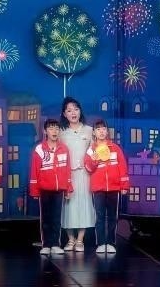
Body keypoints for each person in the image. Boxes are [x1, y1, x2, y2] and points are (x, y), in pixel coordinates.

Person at [84, 118, 129, 254]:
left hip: (114, 188)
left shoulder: (116, 148)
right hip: (98, 189)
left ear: (107, 131)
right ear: (94, 133)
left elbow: (123, 168)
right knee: (100, 216)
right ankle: (100, 243)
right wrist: (95, 159)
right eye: (98, 129)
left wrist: (124, 186)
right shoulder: (91, 150)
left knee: (112, 216)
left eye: (103, 129)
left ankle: (110, 243)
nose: (101, 131)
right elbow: (88, 168)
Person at [29, 118, 73, 256]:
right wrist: (34, 191)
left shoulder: (64, 149)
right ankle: (46, 244)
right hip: (44, 189)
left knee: (56, 218)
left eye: (56, 128)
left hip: (59, 189)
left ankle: (55, 244)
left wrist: (68, 188)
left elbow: (67, 170)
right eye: (51, 128)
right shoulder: (39, 149)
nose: (54, 131)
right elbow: (34, 171)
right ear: (45, 131)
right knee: (46, 218)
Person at [60, 97, 95, 252]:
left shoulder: (89, 130)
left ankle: (80, 239)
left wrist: (88, 164)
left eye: (76, 109)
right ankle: (70, 239)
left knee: (84, 205)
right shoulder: (61, 132)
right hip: (67, 175)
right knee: (68, 207)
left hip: (84, 174)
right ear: (64, 114)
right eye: (69, 110)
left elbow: (94, 152)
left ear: (80, 111)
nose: (73, 113)